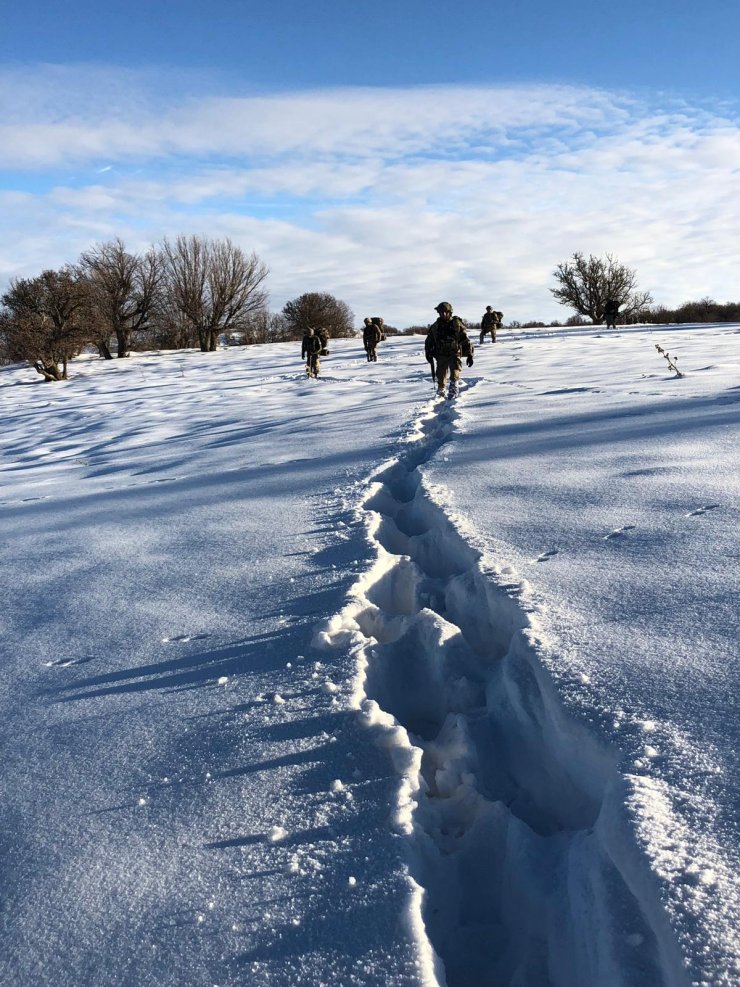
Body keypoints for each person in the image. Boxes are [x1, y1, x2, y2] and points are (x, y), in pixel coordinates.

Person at [426, 301, 474, 398]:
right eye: (441, 312)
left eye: (445, 312)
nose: (443, 314)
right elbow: (429, 341)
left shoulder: (456, 324)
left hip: (454, 352)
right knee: (440, 373)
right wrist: (428, 353)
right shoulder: (435, 326)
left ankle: (453, 387)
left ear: (449, 312)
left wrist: (470, 354)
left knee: (455, 370)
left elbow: (465, 339)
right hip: (441, 354)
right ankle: (441, 389)